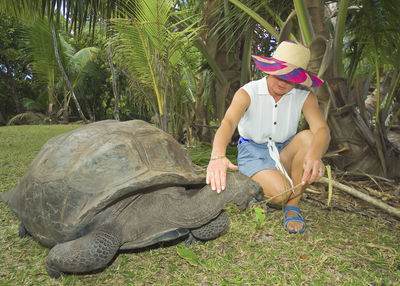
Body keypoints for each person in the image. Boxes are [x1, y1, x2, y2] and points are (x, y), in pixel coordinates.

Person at [206, 40, 331, 234]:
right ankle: (251, 189)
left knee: (308, 138)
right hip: (253, 152)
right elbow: (228, 122)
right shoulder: (249, 92)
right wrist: (217, 155)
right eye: (278, 75)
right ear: (269, 69)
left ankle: (292, 207)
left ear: (298, 80)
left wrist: (315, 156)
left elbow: (322, 130)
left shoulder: (304, 96)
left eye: (289, 79)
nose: (282, 82)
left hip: (285, 151)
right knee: (280, 194)